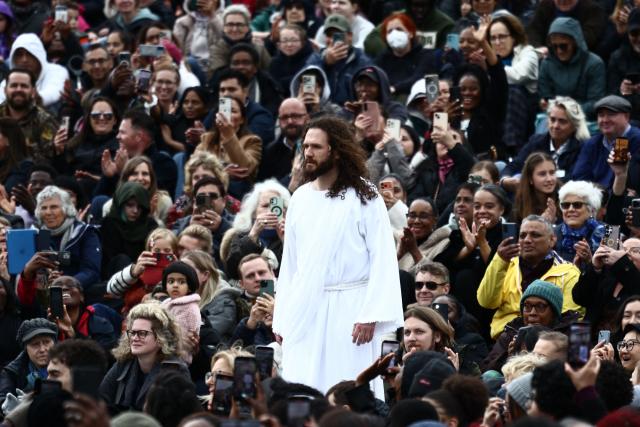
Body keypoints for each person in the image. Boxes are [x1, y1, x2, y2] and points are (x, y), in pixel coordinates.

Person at [272, 115, 404, 394]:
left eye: (316, 147)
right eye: (305, 146)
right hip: (306, 308)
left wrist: (372, 314)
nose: (308, 153)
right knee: (302, 387)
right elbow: (290, 266)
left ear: (336, 150)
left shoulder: (365, 195)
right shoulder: (300, 198)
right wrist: (283, 317)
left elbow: (382, 257)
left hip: (352, 310)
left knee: (349, 389)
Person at [477, 214, 582, 339]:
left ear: (552, 240)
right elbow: (486, 301)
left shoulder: (569, 272)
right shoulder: (506, 264)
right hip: (505, 339)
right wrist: (500, 260)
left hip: (548, 342)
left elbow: (569, 318)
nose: (527, 240)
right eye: (522, 235)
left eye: (535, 235)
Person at [99, 302, 190, 414]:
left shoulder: (176, 370)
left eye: (142, 333)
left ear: (160, 337)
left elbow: (178, 416)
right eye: (133, 333)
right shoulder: (123, 363)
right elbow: (102, 400)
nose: (135, 338)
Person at [481, 279, 580, 372]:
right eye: (527, 306)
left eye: (540, 306)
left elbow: (578, 372)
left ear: (554, 313)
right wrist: (510, 356)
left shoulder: (571, 334)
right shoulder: (511, 333)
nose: (532, 313)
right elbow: (486, 370)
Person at [19, 185, 101, 290]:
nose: (48, 212)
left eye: (54, 207)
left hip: (79, 291)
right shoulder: (37, 236)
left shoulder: (85, 232)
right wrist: (46, 284)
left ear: (66, 209)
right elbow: (32, 273)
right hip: (45, 293)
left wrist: (65, 283)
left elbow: (91, 272)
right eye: (43, 208)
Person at [16, 275, 118, 353]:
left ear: (82, 296)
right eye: (57, 287)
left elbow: (106, 356)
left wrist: (72, 333)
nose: (64, 288)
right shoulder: (40, 325)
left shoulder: (100, 324)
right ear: (49, 298)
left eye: (70, 285)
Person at [501, 96, 589, 181]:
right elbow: (514, 165)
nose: (555, 126)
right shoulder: (536, 141)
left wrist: (535, 182)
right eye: (552, 119)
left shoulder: (583, 148)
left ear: (574, 125)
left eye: (562, 121)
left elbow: (574, 178)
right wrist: (505, 180)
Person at [220, 178, 290, 280]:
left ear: (285, 210)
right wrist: (253, 235)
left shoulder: (293, 236)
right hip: (249, 292)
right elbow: (232, 270)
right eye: (265, 206)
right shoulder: (241, 235)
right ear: (253, 212)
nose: (271, 210)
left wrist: (286, 240)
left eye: (276, 205)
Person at [487, 13, 538, 152]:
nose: (497, 42)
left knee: (512, 91)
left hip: (524, 111)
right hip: (496, 112)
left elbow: (518, 75)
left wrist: (491, 68)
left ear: (513, 37)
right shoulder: (486, 58)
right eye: (493, 38)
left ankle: (512, 149)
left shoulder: (528, 53)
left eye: (502, 37)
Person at [537, 17, 605, 120]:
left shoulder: (594, 64)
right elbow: (545, 96)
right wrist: (544, 103)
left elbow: (596, 102)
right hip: (554, 117)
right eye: (554, 47)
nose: (559, 51)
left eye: (563, 46)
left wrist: (568, 111)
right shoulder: (546, 64)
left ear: (575, 42)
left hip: (584, 119)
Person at [196, 96, 262, 199]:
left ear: (242, 119)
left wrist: (229, 136)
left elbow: (245, 169)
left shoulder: (252, 141)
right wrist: (223, 173)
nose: (227, 115)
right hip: (205, 192)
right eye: (224, 111)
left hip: (236, 195)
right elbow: (193, 169)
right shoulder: (206, 139)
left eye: (233, 111)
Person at [572, 237, 640, 336]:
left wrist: (622, 262)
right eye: (623, 249)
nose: (626, 254)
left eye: (635, 250)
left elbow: (635, 286)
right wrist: (595, 267)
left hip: (626, 344)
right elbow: (579, 298)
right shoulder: (606, 276)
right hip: (590, 340)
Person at [106, 228, 178, 315]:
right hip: (131, 318)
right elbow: (111, 290)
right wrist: (133, 272)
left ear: (174, 252)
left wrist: (177, 271)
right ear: (149, 251)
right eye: (157, 251)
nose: (161, 254)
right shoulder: (140, 269)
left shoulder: (178, 273)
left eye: (167, 251)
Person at [572, 95, 640, 187]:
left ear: (626, 117)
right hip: (596, 197)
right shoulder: (592, 143)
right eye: (601, 115)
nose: (605, 120)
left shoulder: (637, 140)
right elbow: (579, 178)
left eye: (611, 114)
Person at [305, 14, 372, 106]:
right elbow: (307, 86)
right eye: (329, 35)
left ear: (350, 36)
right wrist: (325, 63)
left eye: (337, 35)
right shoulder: (316, 58)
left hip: (350, 113)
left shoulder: (362, 60)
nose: (332, 40)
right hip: (320, 114)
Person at [100, 181, 158, 279]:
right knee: (122, 259)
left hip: (144, 274)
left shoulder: (150, 225)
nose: (135, 211)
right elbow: (108, 259)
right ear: (121, 204)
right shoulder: (108, 224)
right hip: (115, 278)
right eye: (130, 205)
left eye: (139, 207)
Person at [0, 68, 58, 164]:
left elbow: (49, 159)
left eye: (24, 86)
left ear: (33, 91)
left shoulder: (45, 121)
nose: (18, 89)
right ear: (5, 90)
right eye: (14, 85)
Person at [0, 33, 69, 107]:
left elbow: (54, 92)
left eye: (30, 54)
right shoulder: (8, 81)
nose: (24, 60)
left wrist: (35, 99)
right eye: (19, 55)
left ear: (39, 56)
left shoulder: (56, 71)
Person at [0, 318, 57, 404]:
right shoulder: (12, 373)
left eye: (46, 342)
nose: (42, 349)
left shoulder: (69, 366)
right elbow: (3, 397)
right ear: (25, 349)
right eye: (35, 344)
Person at [257, 97, 309, 185]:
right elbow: (265, 188)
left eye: (295, 116)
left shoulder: (316, 147)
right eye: (284, 117)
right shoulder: (270, 152)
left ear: (307, 118)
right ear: (279, 121)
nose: (290, 121)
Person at [555, 180, 605, 265]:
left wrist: (590, 262)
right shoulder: (552, 234)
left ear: (591, 209)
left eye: (577, 205)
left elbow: (611, 275)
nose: (570, 209)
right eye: (565, 205)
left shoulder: (610, 233)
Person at [161, 261, 201, 364]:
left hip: (179, 359)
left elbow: (190, 335)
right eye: (171, 281)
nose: (175, 285)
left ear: (190, 287)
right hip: (162, 354)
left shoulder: (190, 308)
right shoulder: (164, 304)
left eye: (181, 282)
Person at [397, 198, 450, 272]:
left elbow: (434, 276)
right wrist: (399, 254)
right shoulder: (399, 240)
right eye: (412, 216)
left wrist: (414, 251)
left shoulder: (445, 244)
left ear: (435, 220)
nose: (416, 221)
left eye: (423, 216)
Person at [512, 152, 559, 224]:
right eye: (542, 174)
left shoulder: (565, 199)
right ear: (530, 178)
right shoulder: (519, 208)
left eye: (552, 173)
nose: (549, 179)